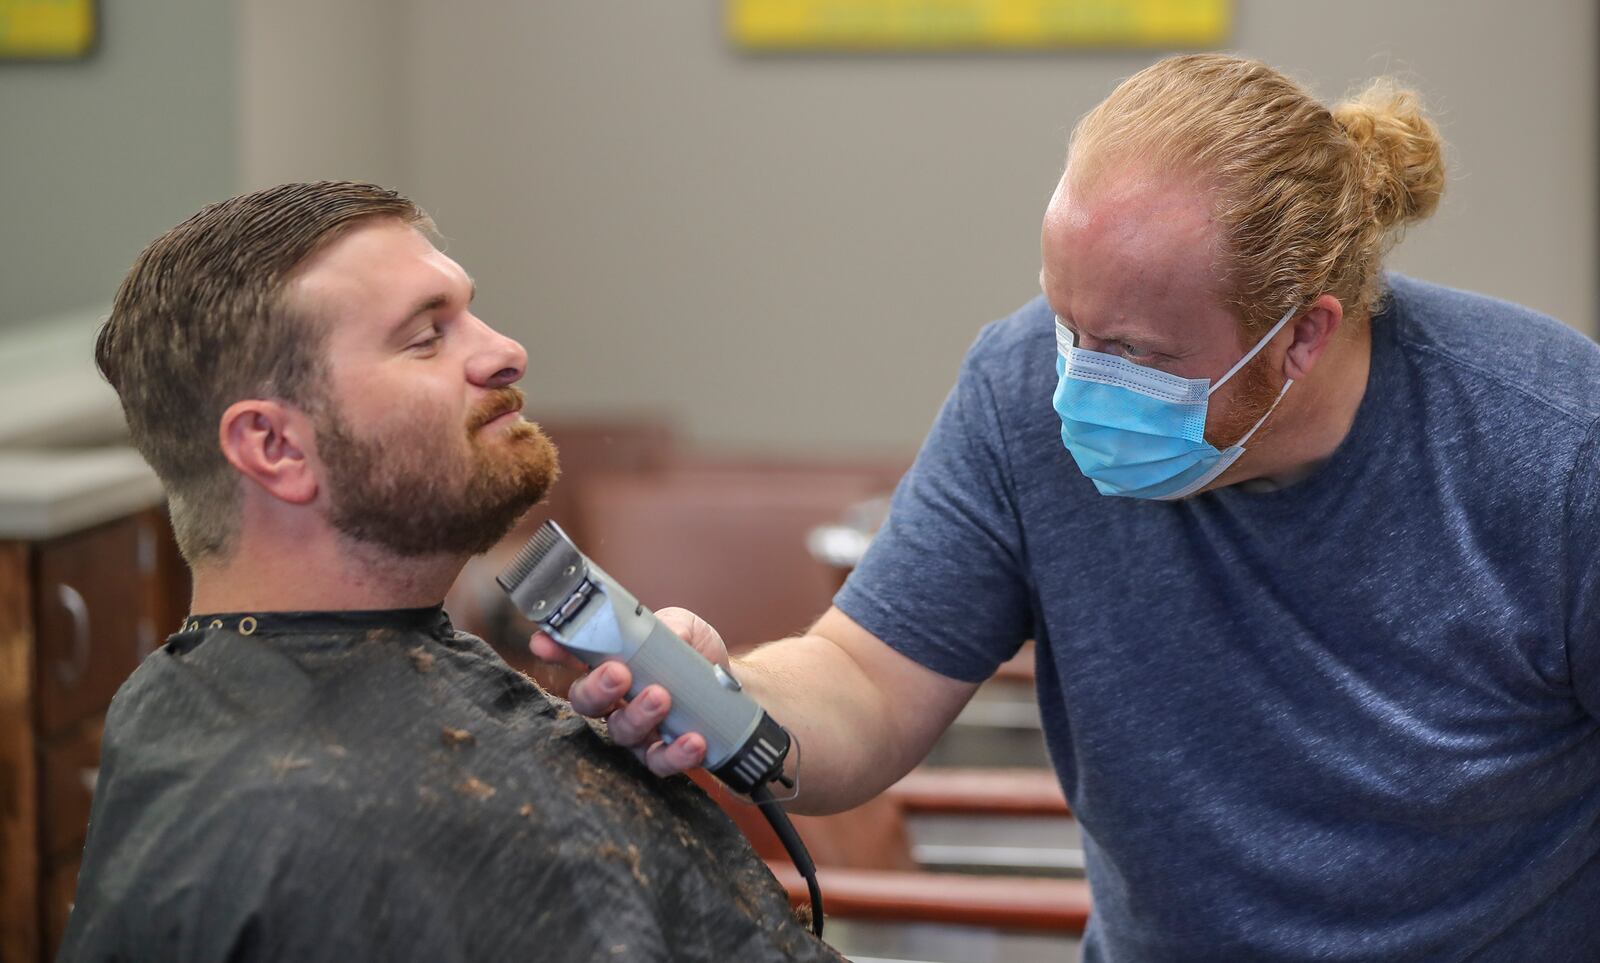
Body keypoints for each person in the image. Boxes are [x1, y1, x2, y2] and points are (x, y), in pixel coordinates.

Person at [545, 54, 1600, 960]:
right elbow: (863, 681)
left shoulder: (1552, 449)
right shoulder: (1018, 393)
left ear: (1303, 335)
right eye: (1067, 326)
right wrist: (720, 688)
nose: (1078, 388)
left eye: (1136, 355)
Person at [59, 182, 839, 963]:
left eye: (468, 312)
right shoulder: (304, 823)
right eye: (428, 336)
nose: (505, 350)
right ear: (276, 446)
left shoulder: (184, 703)